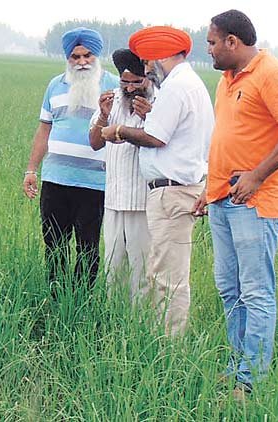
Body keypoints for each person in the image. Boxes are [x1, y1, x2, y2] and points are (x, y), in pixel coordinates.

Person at [192, 9, 278, 398]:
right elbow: (229, 139)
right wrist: (209, 189)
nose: (209, 49)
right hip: (223, 198)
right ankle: (236, 366)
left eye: (212, 42)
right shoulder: (226, 80)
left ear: (233, 41)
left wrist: (257, 176)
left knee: (255, 292)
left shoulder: (272, 74)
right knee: (230, 288)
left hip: (255, 202)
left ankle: (250, 380)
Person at [99, 26, 214, 336]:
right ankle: (156, 338)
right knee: (160, 273)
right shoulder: (186, 84)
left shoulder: (176, 87)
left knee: (167, 279)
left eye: (148, 62)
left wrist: (119, 131)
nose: (147, 69)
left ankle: (169, 347)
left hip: (172, 192)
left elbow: (155, 138)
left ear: (162, 57)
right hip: (171, 191)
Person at [23, 27, 119, 297]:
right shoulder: (55, 85)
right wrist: (31, 170)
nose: (82, 62)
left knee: (88, 246)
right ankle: (56, 297)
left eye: (87, 55)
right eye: (75, 57)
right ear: (68, 58)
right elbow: (44, 129)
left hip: (94, 182)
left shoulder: (113, 86)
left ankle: (81, 299)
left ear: (97, 55)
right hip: (55, 179)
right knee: (54, 243)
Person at [89, 48, 154, 300]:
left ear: (147, 78)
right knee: (113, 268)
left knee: (142, 270)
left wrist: (149, 116)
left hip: (143, 202)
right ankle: (114, 315)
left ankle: (141, 319)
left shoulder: (158, 101)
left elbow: (160, 139)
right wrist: (103, 116)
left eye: (136, 82)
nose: (129, 88)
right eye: (124, 82)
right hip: (114, 199)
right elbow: (95, 142)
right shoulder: (112, 99)